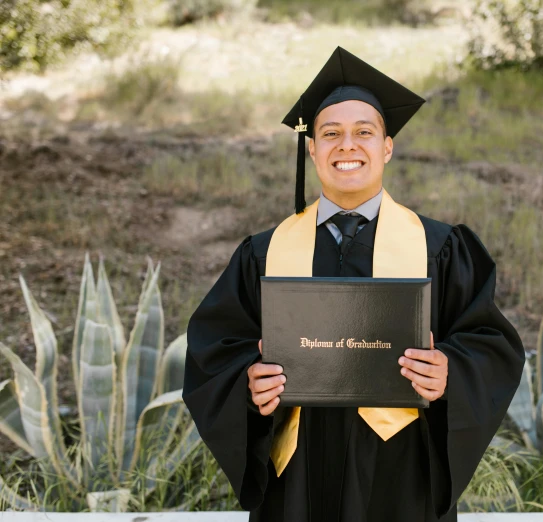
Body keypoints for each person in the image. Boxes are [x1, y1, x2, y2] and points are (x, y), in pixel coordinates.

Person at [183, 46, 525, 522]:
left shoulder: (439, 247)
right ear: (313, 149)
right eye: (331, 134)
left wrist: (451, 372)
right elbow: (213, 350)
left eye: (364, 132)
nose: (348, 145)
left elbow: (491, 344)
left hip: (399, 475)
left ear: (387, 146)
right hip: (296, 479)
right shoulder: (264, 253)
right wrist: (246, 383)